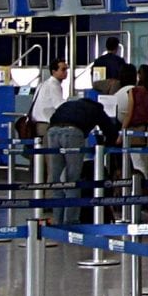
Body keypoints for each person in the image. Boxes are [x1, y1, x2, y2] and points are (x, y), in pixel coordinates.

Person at [46, 91, 122, 227]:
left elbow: (53, 118)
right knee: (73, 179)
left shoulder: (69, 104)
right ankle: (71, 221)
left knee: (56, 180)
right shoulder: (97, 109)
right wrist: (105, 146)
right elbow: (110, 131)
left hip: (52, 132)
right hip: (73, 133)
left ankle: (58, 220)